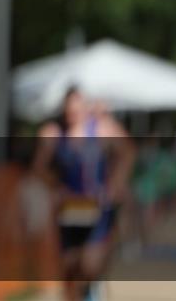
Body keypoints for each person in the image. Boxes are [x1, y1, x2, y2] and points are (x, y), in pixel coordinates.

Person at [33, 86, 134, 301]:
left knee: (90, 264)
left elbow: (127, 152)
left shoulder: (102, 129)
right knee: (69, 267)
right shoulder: (55, 133)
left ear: (86, 109)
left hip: (98, 207)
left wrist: (116, 183)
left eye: (77, 109)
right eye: (69, 110)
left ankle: (91, 284)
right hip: (69, 209)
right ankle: (81, 292)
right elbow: (39, 169)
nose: (73, 115)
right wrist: (56, 187)